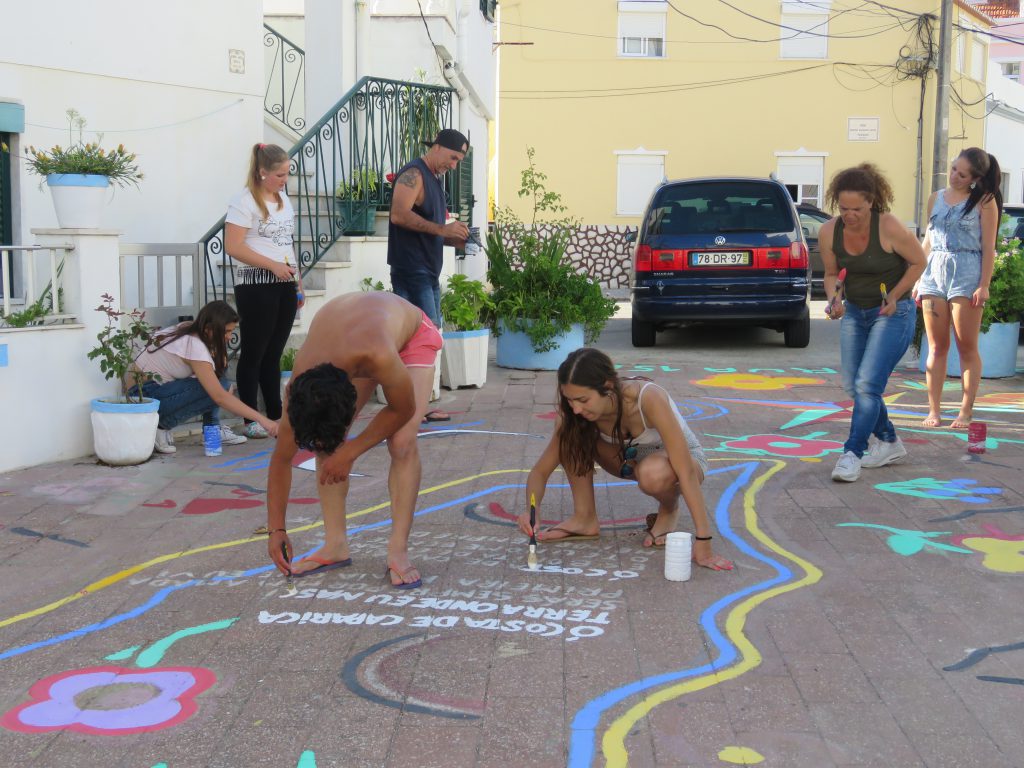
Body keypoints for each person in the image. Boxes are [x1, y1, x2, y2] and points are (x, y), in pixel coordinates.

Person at [265, 292, 442, 588]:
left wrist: (350, 452)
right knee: (328, 444)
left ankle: (398, 549)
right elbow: (281, 459)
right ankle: (335, 546)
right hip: (355, 334)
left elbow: (402, 409)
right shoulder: (299, 384)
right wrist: (276, 529)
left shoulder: (379, 356)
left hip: (410, 334)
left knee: (402, 442)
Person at [515, 348, 733, 571]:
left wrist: (704, 540)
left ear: (607, 386)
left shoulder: (647, 398)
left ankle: (669, 509)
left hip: (681, 461)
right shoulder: (575, 413)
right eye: (570, 400)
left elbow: (685, 469)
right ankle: (585, 518)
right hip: (628, 460)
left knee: (652, 474)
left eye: (582, 400)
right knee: (569, 429)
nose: (576, 408)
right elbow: (540, 472)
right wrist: (533, 511)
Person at [820, 163, 926, 482]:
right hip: (855, 311)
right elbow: (830, 274)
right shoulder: (829, 231)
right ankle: (890, 441)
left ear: (871, 202)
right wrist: (834, 300)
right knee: (855, 386)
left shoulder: (889, 226)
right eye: (843, 208)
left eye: (856, 208)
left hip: (893, 313)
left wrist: (894, 295)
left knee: (868, 384)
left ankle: (852, 452)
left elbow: (919, 261)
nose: (849, 215)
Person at [388, 128, 471, 422]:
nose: (454, 164)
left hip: (426, 270)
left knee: (427, 338)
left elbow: (427, 229)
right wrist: (441, 230)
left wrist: (454, 238)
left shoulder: (433, 179)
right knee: (421, 339)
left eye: (459, 160)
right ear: (435, 147)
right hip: (412, 270)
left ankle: (419, 403)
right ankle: (409, 407)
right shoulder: (414, 173)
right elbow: (398, 214)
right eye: (452, 157)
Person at [916, 148, 1003, 429]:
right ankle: (934, 410)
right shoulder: (935, 199)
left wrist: (984, 284)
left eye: (962, 174)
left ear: (975, 178)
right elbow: (928, 240)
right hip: (934, 273)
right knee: (936, 346)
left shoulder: (985, 202)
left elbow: (989, 247)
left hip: (967, 273)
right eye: (954, 169)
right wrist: (917, 277)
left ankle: (965, 411)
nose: (955, 176)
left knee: (967, 347)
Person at [224, 143, 305, 440]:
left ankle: (274, 415)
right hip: (255, 284)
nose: (285, 180)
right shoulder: (243, 202)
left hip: (284, 281)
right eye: (280, 175)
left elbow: (287, 243)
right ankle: (250, 419)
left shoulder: (283, 199)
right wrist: (272, 266)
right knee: (253, 354)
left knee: (273, 354)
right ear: (262, 173)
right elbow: (234, 247)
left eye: (287, 174)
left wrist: (298, 282)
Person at [130, 301, 279, 454]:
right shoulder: (195, 346)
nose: (229, 337)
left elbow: (218, 372)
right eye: (226, 332)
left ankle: (212, 431)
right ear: (209, 329)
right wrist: (263, 420)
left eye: (231, 332)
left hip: (150, 395)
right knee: (216, 390)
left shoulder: (190, 328)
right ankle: (160, 426)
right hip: (144, 399)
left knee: (218, 381)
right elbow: (219, 396)